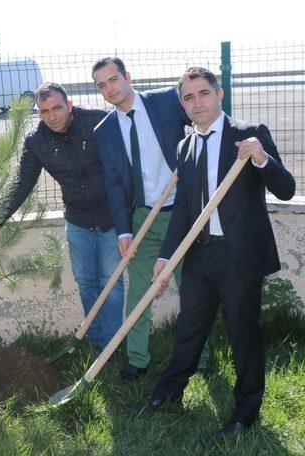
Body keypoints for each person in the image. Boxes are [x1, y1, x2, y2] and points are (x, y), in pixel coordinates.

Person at [148, 67, 295, 436]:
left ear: (219, 94)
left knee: (242, 333)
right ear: (182, 104)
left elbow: (287, 190)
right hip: (199, 256)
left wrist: (262, 158)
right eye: (189, 97)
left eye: (203, 94)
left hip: (238, 255)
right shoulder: (186, 146)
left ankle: (246, 412)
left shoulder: (249, 134)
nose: (197, 103)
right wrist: (166, 258)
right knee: (189, 329)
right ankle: (167, 395)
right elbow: (183, 209)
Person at [92, 57, 209, 381]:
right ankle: (137, 361)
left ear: (128, 76)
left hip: (184, 213)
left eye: (113, 79)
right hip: (143, 217)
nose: (109, 88)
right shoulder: (105, 131)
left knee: (193, 290)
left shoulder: (165, 102)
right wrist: (123, 231)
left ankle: (199, 358)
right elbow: (114, 185)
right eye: (101, 85)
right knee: (139, 293)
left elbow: (202, 119)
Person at [0, 82, 124, 351]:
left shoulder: (98, 121)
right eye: (44, 111)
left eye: (57, 107)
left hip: (112, 218)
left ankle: (113, 345)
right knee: (86, 282)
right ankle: (96, 341)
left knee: (111, 281)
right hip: (77, 221)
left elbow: (134, 144)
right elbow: (23, 182)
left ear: (69, 105)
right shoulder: (36, 142)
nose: (53, 116)